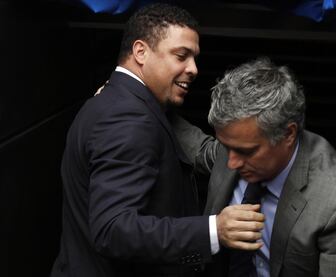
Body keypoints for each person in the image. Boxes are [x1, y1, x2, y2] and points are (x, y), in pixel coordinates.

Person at [50, 4, 265, 277]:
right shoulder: (128, 118)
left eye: (194, 58)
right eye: (181, 56)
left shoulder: (116, 102)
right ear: (140, 52)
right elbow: (113, 230)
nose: (194, 69)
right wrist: (214, 230)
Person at [174, 57, 336, 277]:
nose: (231, 162)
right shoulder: (237, 145)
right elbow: (198, 148)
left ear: (288, 134)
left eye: (246, 151)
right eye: (226, 147)